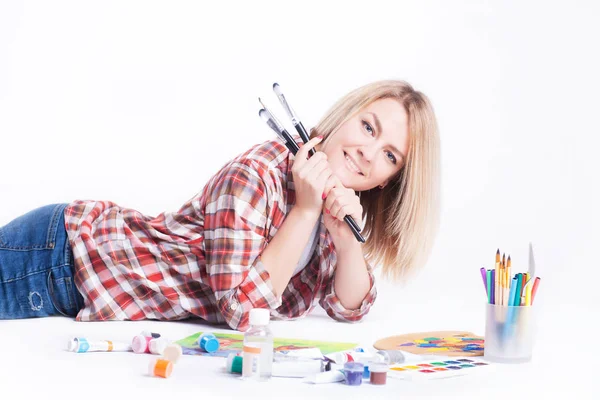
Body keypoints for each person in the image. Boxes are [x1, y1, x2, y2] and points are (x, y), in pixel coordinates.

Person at [0, 80, 440, 331]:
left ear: (389, 181)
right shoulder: (258, 175)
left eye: (389, 155)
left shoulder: (332, 207)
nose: (368, 151)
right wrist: (304, 213)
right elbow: (241, 309)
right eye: (368, 127)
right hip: (62, 257)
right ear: (345, 115)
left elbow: (351, 308)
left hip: (82, 280)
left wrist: (347, 243)